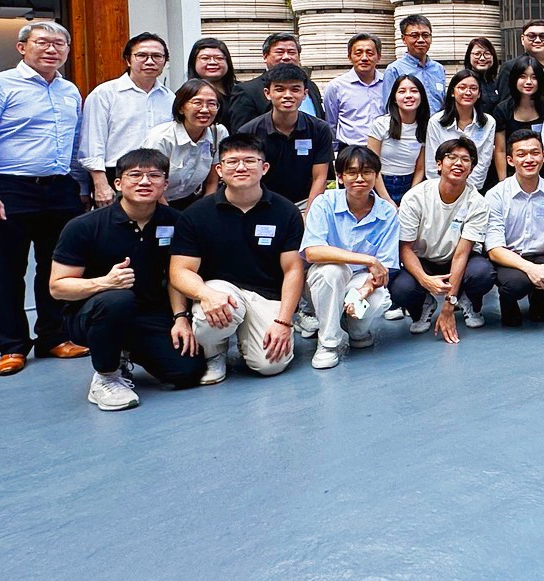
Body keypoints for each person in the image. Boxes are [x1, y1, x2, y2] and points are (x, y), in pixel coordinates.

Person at [0, 19, 87, 375]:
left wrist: (80, 186)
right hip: (11, 189)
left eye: (59, 44)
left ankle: (54, 337)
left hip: (60, 188)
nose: (51, 49)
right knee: (7, 269)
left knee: (58, 267)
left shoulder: (70, 91)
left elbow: (74, 144)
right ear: (22, 47)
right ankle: (11, 346)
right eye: (42, 42)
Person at [47, 146, 204, 409]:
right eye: (135, 175)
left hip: (149, 312)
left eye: (154, 175)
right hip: (94, 313)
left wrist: (181, 318)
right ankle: (106, 376)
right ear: (118, 183)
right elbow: (57, 287)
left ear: (165, 184)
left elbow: (177, 275)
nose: (145, 182)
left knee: (186, 371)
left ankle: (125, 349)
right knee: (117, 300)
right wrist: (105, 283)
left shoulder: (177, 222)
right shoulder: (84, 226)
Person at [170, 134, 305, 380]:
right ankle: (214, 353)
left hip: (266, 295)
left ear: (264, 168)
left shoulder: (286, 212)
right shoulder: (196, 214)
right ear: (219, 170)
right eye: (232, 162)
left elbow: (293, 270)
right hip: (220, 292)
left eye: (250, 161)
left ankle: (249, 342)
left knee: (270, 364)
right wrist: (205, 294)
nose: (241, 167)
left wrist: (284, 321)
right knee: (212, 314)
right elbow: (179, 271)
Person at [299, 145, 399, 370]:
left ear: (376, 176)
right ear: (340, 177)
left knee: (379, 298)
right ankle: (328, 343)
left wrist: (362, 292)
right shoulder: (324, 203)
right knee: (333, 271)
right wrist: (368, 260)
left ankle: (356, 330)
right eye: (352, 173)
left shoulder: (387, 213)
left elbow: (383, 268)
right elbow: (313, 252)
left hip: (360, 281)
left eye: (367, 172)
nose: (360, 179)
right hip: (325, 279)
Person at [393, 136, 497, 339]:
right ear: (439, 164)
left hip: (457, 260)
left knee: (483, 273)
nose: (459, 163)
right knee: (401, 288)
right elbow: (405, 248)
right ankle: (424, 304)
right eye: (452, 157)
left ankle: (465, 298)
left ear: (472, 168)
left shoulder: (477, 203)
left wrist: (449, 304)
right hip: (423, 259)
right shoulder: (415, 197)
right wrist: (425, 280)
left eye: (466, 159)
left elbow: (461, 254)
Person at [487, 129, 544, 326]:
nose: (529, 159)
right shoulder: (496, 195)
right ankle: (508, 304)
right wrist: (530, 269)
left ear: (543, 157)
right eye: (521, 154)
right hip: (510, 258)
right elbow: (495, 249)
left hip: (543, 255)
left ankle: (538, 299)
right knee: (516, 284)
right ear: (510, 160)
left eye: (535, 153)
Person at [79, 32, 174, 205]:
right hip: (115, 175)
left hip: (156, 176)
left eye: (157, 56)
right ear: (128, 60)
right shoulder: (104, 94)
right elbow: (92, 143)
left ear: (165, 61)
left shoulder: (170, 98)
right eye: (142, 55)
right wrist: (100, 183)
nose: (150, 61)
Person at [235, 63, 335, 215]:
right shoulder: (249, 131)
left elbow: (320, 177)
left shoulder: (320, 129)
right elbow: (247, 177)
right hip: (262, 203)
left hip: (305, 202)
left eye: (295, 89)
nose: (287, 95)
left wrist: (309, 215)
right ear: (267, 93)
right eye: (280, 89)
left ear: (305, 94)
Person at [146, 79, 227, 205]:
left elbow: (212, 181)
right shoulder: (161, 138)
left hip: (191, 200)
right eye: (197, 103)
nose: (205, 110)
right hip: (154, 201)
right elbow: (150, 182)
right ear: (181, 108)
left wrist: (206, 208)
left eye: (212, 104)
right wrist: (168, 213)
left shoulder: (218, 133)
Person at [225, 31, 325, 132]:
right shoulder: (247, 91)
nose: (286, 57)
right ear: (265, 56)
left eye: (291, 52)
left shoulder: (310, 86)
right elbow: (242, 135)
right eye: (280, 52)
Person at [365, 74, 431, 202]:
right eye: (402, 91)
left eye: (414, 91)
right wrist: (387, 200)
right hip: (380, 184)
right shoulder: (381, 124)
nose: (408, 95)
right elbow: (372, 165)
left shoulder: (425, 127)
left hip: (410, 185)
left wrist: (410, 197)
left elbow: (420, 168)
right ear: (394, 98)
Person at [426, 69, 497, 185]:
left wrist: (469, 189)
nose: (468, 92)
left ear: (479, 94)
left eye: (473, 88)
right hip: (441, 187)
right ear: (452, 92)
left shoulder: (489, 123)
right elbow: (432, 163)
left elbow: (483, 162)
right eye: (462, 88)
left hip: (473, 187)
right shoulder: (436, 122)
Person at [323, 33, 391, 146]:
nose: (364, 58)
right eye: (358, 53)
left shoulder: (388, 84)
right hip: (350, 149)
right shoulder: (336, 87)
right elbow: (331, 123)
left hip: (384, 148)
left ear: (379, 57)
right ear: (349, 57)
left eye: (370, 53)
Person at [492, 56, 544, 183]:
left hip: (541, 174)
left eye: (534, 77)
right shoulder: (502, 110)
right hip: (512, 174)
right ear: (514, 79)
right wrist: (504, 182)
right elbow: (500, 150)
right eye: (523, 77)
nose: (528, 82)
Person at [388, 13, 447, 113]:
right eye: (414, 36)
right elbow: (389, 108)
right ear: (404, 39)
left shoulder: (439, 69)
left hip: (437, 123)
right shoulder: (394, 70)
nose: (421, 40)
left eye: (425, 35)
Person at [187, 37, 238, 116]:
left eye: (219, 58)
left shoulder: (241, 91)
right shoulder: (185, 94)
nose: (212, 62)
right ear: (193, 62)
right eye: (205, 58)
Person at [462, 36, 502, 114]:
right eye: (477, 54)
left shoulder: (498, 82)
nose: (482, 58)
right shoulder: (462, 82)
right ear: (469, 56)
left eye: (487, 54)